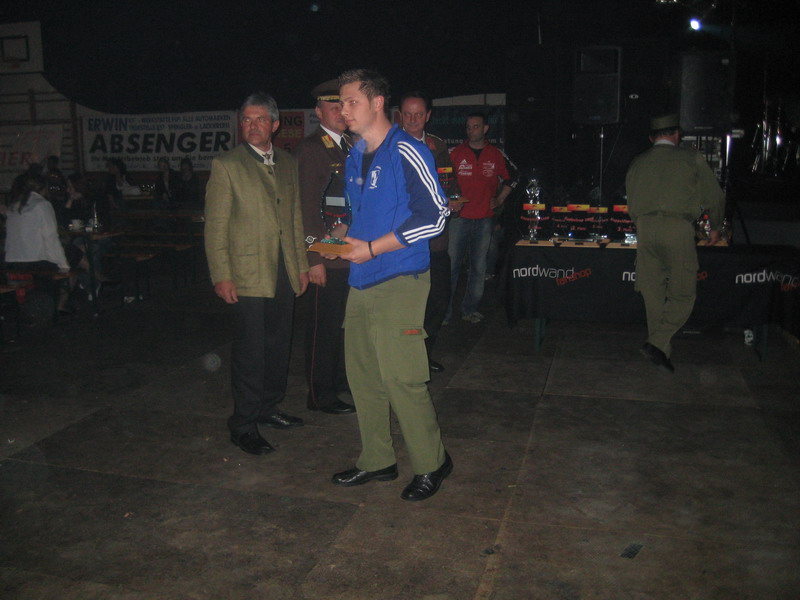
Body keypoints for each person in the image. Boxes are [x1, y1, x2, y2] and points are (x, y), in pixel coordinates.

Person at [329, 69, 451, 502]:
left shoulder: (407, 149)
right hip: (361, 278)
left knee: (402, 378)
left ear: (378, 102)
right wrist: (343, 234)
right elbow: (361, 214)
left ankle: (432, 462)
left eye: (351, 101)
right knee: (363, 376)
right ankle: (377, 459)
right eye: (341, 103)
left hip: (400, 277)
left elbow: (436, 216)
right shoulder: (355, 154)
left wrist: (373, 247)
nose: (343, 110)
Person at [205, 92, 310, 455]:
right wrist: (222, 274)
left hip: (283, 269)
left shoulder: (288, 162)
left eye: (260, 119)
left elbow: (294, 220)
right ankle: (243, 423)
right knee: (251, 351)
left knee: (279, 345)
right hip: (247, 272)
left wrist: (301, 266)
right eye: (247, 120)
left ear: (275, 125)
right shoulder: (227, 165)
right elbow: (215, 226)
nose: (252, 126)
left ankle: (268, 407)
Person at [625, 113, 725, 372]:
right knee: (683, 293)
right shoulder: (691, 158)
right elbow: (714, 196)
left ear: (651, 138)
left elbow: (631, 202)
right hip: (677, 228)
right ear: (677, 134)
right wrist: (715, 227)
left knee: (652, 292)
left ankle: (661, 351)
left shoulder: (638, 161)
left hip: (645, 227)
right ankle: (657, 343)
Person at [294, 79, 356, 415]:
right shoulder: (311, 149)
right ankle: (319, 395)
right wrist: (314, 258)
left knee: (343, 326)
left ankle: (339, 381)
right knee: (323, 328)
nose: (341, 113)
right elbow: (305, 208)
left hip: (348, 254)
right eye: (334, 107)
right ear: (318, 112)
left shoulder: (350, 145)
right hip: (326, 258)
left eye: (344, 107)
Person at [398, 90, 461, 373]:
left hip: (436, 240)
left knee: (438, 300)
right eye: (408, 114)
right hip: (404, 241)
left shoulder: (437, 145)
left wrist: (454, 199)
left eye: (419, 114)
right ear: (400, 116)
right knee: (408, 305)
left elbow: (449, 182)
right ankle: (404, 359)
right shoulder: (389, 147)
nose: (413, 119)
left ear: (428, 116)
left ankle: (423, 355)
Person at [447, 112, 513, 323]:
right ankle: (444, 313)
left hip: (484, 218)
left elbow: (513, 177)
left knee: (478, 267)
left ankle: (470, 309)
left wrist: (500, 199)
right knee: (452, 267)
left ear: (485, 129)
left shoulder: (495, 154)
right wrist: (450, 201)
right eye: (468, 127)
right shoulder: (455, 153)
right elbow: (442, 180)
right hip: (459, 219)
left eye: (476, 126)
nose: (471, 130)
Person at [3, 172, 73, 313]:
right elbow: (51, 238)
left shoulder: (15, 205)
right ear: (43, 188)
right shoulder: (42, 204)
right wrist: (63, 264)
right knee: (76, 254)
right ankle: (59, 305)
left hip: (12, 262)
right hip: (35, 262)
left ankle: (57, 306)